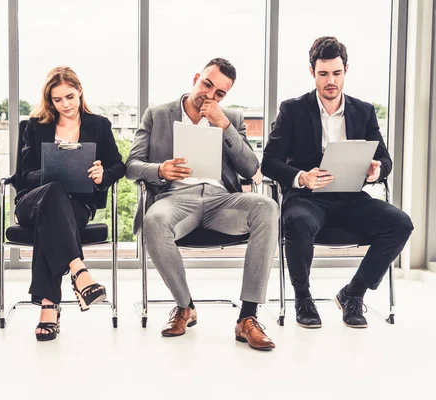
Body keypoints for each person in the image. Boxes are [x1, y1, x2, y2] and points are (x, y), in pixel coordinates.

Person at [126, 58, 278, 351]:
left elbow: (250, 168)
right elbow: (132, 165)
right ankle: (185, 307)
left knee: (267, 207)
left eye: (220, 93)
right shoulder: (158, 115)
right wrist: (160, 170)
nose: (210, 95)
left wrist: (223, 126)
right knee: (154, 220)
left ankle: (247, 317)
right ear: (196, 77)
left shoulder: (231, 118)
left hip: (222, 201)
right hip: (175, 199)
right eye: (207, 84)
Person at [261, 36, 414, 329]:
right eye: (323, 74)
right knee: (297, 222)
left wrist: (376, 171)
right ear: (312, 72)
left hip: (351, 198)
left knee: (400, 224)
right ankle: (303, 298)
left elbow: (385, 159)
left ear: (346, 70)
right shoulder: (292, 110)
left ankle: (353, 294)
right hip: (307, 198)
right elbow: (269, 162)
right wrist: (301, 177)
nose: (330, 81)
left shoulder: (364, 111)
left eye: (336, 73)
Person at [15, 66, 126, 341]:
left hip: (76, 205)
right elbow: (22, 176)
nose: (65, 104)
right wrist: (53, 170)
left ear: (80, 92)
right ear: (49, 100)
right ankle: (80, 271)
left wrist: (103, 175)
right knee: (53, 191)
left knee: (50, 221)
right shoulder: (35, 126)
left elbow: (118, 166)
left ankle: (49, 307)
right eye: (57, 99)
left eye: (70, 97)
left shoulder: (98, 125)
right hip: (33, 200)